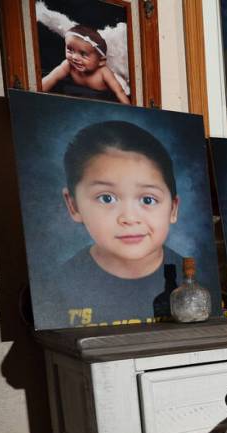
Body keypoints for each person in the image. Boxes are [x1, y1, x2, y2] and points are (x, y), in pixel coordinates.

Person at [47, 120, 183, 326]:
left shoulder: (198, 281)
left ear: (173, 209)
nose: (129, 218)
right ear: (73, 205)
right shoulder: (56, 289)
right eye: (106, 198)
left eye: (148, 199)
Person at [41, 25, 130, 104]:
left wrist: (129, 110)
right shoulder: (68, 65)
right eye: (70, 50)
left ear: (101, 61)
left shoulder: (104, 72)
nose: (75, 57)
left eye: (83, 54)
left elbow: (119, 91)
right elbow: (52, 78)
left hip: (101, 100)